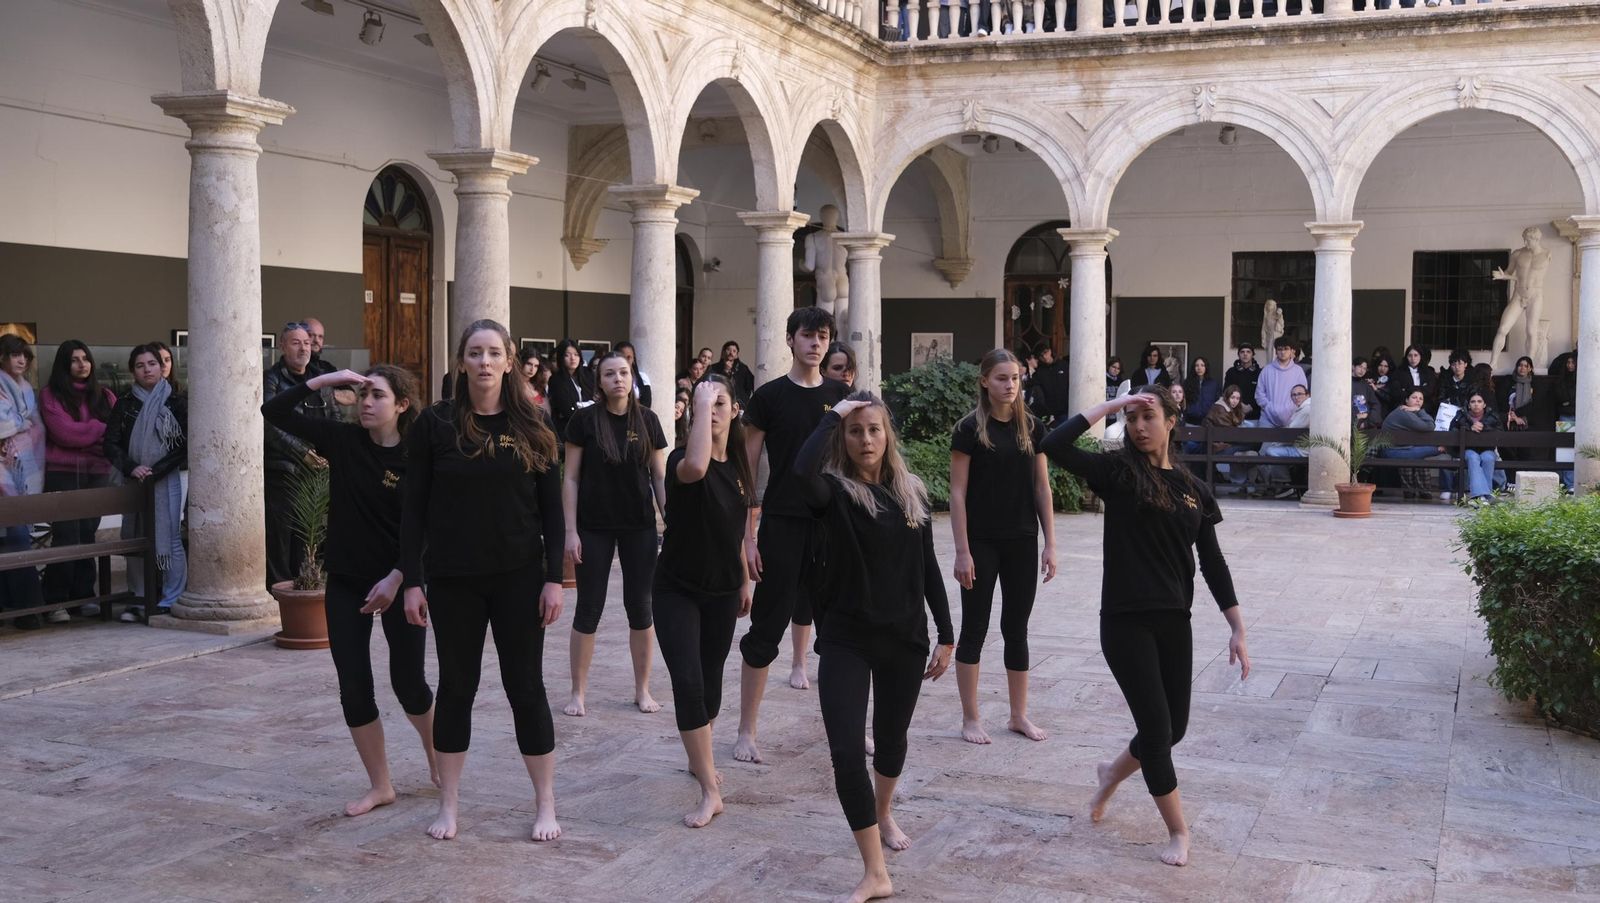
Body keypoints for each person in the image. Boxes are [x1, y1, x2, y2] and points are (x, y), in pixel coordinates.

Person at [1041, 386, 1249, 868]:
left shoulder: (1194, 489)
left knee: (1173, 729)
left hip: (1176, 621)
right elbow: (1052, 445)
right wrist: (1110, 406)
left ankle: (1110, 774)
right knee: (1156, 731)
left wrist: (1236, 626)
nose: (1138, 426)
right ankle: (1178, 831)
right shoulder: (1118, 473)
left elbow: (1212, 563)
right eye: (1131, 418)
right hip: (1125, 620)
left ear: (1172, 421)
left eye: (1147, 416)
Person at [400, 319, 565, 843]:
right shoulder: (436, 424)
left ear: (510, 360)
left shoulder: (534, 423)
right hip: (453, 579)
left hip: (519, 576)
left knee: (526, 688)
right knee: (456, 688)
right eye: (476, 353)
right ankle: (448, 805)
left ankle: (545, 804)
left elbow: (551, 511)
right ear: (462, 361)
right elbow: (414, 509)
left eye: (495, 353)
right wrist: (412, 580)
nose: (485, 362)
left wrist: (555, 579)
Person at [794, 392, 953, 902]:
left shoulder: (912, 494)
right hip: (845, 639)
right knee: (845, 753)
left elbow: (928, 568)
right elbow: (800, 471)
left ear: (889, 437)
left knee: (890, 741)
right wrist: (836, 412)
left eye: (874, 430)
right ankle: (875, 871)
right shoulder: (833, 494)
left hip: (903, 640)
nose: (866, 439)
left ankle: (883, 812)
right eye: (855, 430)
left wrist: (948, 635)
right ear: (843, 437)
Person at [262, 363, 437, 818]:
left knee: (409, 684)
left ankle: (439, 761)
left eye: (377, 395)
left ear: (402, 405)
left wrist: (398, 578)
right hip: (346, 581)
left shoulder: (418, 455)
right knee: (354, 688)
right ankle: (381, 786)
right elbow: (273, 409)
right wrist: (322, 382)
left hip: (401, 581)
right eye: (362, 395)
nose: (366, 403)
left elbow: (427, 530)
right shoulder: (343, 441)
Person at [734, 306, 851, 764]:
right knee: (766, 628)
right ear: (790, 340)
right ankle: (747, 730)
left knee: (840, 632)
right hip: (782, 522)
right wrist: (747, 536)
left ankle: (845, 732)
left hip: (831, 527)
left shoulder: (843, 395)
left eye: (823, 336)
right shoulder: (770, 397)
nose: (816, 343)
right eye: (807, 335)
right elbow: (747, 469)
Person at [653, 376, 754, 829]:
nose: (713, 410)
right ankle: (710, 789)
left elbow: (736, 526)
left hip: (723, 590)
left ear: (735, 411)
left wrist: (745, 579)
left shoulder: (738, 466)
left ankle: (700, 757)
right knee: (688, 684)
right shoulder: (681, 459)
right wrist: (699, 402)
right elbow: (696, 466)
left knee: (710, 687)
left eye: (721, 403)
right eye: (706, 404)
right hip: (676, 588)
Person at [950, 349, 1055, 745]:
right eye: (1000, 378)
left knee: (1017, 628)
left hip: (1022, 540)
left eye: (1014, 378)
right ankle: (970, 717)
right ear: (984, 382)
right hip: (980, 542)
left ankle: (1018, 715)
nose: (1009, 385)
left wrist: (1051, 544)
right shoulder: (968, 429)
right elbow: (957, 493)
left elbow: (1042, 488)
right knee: (974, 628)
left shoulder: (1033, 426)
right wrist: (962, 550)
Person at [561, 351, 669, 719]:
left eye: (624, 372)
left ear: (632, 377)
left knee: (641, 609)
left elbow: (658, 476)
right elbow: (571, 478)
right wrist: (571, 531)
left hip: (639, 525)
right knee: (588, 608)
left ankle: (642, 689)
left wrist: (670, 520)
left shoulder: (648, 420)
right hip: (593, 526)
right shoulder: (584, 420)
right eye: (610, 374)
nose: (618, 379)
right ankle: (578, 692)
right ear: (600, 381)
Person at [104, 344, 188, 620]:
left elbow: (184, 445)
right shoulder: (125, 402)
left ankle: (171, 596)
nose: (147, 369)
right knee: (135, 537)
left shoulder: (175, 401)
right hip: (135, 480)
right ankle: (138, 599)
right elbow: (111, 444)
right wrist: (132, 467)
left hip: (166, 480)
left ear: (162, 367)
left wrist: (157, 470)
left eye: (152, 363)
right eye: (140, 365)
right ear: (133, 371)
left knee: (171, 538)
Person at [40, 340, 118, 617]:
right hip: (62, 473)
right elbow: (65, 434)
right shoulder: (51, 395)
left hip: (97, 473)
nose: (82, 364)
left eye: (85, 358)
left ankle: (83, 595)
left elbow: (116, 434)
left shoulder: (105, 395)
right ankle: (55, 601)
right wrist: (97, 428)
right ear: (64, 364)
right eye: (74, 359)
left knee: (87, 533)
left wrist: (86, 435)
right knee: (67, 535)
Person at [264, 321, 340, 588]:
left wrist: (331, 454)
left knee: (310, 533)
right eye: (295, 342)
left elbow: (335, 418)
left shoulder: (320, 379)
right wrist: (302, 453)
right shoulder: (271, 378)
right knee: (280, 535)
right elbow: (268, 423)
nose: (303, 348)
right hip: (283, 469)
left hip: (319, 469)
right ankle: (279, 591)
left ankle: (306, 586)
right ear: (282, 346)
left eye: (307, 342)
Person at [0, 333, 47, 629]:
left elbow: (36, 426)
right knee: (12, 538)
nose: (20, 359)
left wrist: (19, 427)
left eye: (24, 355)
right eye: (13, 354)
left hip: (18, 472)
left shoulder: (27, 389)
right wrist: (21, 424)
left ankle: (25, 608)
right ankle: (22, 609)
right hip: (3, 474)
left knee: (17, 538)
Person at [1380, 388, 1446, 499]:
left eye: (1421, 399)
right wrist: (1419, 410)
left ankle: (1414, 490)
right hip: (1391, 452)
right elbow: (1430, 426)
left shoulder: (1410, 413)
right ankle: (1420, 490)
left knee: (1418, 456)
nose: (1418, 401)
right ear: (1406, 400)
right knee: (1418, 454)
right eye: (1414, 397)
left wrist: (1416, 411)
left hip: (1403, 448)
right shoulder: (1404, 412)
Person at [1443, 390, 1502, 505]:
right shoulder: (1460, 415)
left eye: (1479, 401)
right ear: (1468, 404)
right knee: (1473, 457)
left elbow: (1499, 432)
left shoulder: (1493, 416)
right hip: (1467, 449)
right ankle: (1483, 495)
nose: (1476, 404)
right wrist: (1469, 429)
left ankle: (1482, 496)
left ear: (1484, 404)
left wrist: (1483, 428)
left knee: (1488, 458)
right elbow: (1453, 431)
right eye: (1473, 401)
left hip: (1487, 449)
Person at [1258, 384, 1310, 498]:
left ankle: (1285, 484)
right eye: (1293, 395)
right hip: (1297, 446)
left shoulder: (1306, 410)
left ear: (1307, 395)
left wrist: (1276, 443)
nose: (1296, 397)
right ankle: (1272, 484)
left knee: (1272, 451)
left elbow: (1290, 432)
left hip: (1302, 450)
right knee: (1266, 449)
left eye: (1299, 394)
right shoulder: (1301, 408)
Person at [547, 338, 594, 444]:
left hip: (589, 429)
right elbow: (567, 410)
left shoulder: (588, 375)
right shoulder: (556, 380)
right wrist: (589, 404)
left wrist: (580, 405)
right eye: (567, 355)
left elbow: (597, 402)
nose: (573, 358)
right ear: (561, 357)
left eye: (576, 354)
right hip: (567, 431)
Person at [1255, 337, 1307, 428]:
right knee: (1267, 442)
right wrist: (1269, 407)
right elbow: (1259, 394)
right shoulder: (1266, 370)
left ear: (1292, 351)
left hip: (1292, 418)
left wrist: (1289, 409)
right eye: (1280, 349)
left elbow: (1302, 395)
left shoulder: (1298, 371)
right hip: (1268, 419)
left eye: (1286, 349)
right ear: (1276, 351)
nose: (1283, 352)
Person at [1203, 385, 1249, 487]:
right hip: (1218, 448)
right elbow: (1231, 434)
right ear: (1227, 397)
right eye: (1232, 398)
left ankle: (1245, 482)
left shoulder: (1230, 409)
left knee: (1252, 446)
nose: (1235, 401)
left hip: (1224, 444)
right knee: (1253, 444)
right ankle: (1244, 483)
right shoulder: (1220, 409)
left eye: (1237, 398)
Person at [1389, 345, 1436, 413]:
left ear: (1420, 356)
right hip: (1404, 405)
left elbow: (1429, 391)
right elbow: (1396, 392)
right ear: (1406, 357)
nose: (1413, 359)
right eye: (1410, 355)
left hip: (1424, 406)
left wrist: (1407, 389)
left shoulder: (1428, 372)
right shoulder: (1398, 372)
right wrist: (1421, 388)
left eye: (1416, 355)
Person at [1223, 344, 1262, 422]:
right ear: (1238, 355)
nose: (1245, 354)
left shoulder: (1260, 373)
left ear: (1252, 355)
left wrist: (1251, 406)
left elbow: (1262, 394)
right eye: (1242, 352)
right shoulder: (1231, 372)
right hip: (1234, 415)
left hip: (1255, 417)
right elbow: (1226, 392)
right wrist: (1239, 405)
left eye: (1248, 352)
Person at [714, 341, 755, 406]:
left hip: (740, 404)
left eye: (734, 351)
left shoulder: (743, 368)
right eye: (728, 350)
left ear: (737, 354)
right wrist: (726, 371)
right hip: (720, 402)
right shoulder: (714, 368)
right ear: (723, 352)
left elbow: (751, 384)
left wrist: (745, 398)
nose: (731, 353)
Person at [615, 341, 653, 408]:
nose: (626, 360)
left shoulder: (642, 377)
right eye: (623, 357)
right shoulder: (613, 378)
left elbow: (647, 403)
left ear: (633, 359)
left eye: (629, 357)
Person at [1181, 357, 1219, 426]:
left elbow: (1216, 401)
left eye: (1202, 365)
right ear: (1193, 368)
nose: (1199, 368)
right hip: (1190, 421)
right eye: (1197, 365)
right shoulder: (1187, 383)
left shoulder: (1213, 384)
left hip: (1208, 422)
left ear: (1206, 367)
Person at [1351, 356, 1384, 430]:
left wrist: (1366, 423)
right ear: (1353, 367)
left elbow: (1376, 405)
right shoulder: (1345, 384)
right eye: (1360, 367)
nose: (1362, 370)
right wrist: (1356, 418)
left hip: (1367, 425)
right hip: (1350, 426)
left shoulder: (1366, 385)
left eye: (1364, 368)